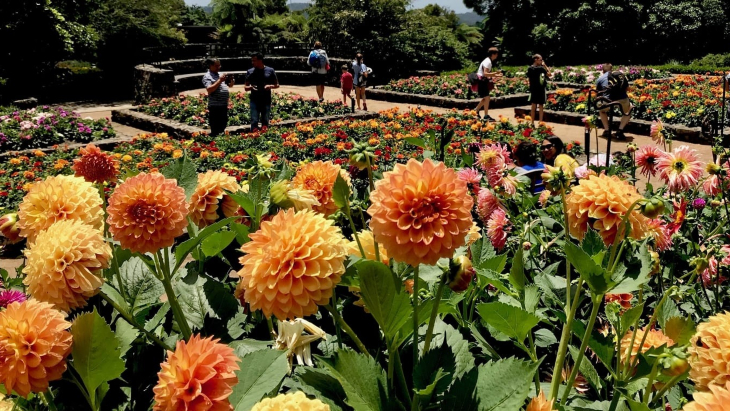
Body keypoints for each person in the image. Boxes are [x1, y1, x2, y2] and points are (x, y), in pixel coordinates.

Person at [596, 63, 632, 140]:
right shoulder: (619, 75)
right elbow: (627, 88)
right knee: (629, 109)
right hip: (622, 99)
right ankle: (620, 130)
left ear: (603, 70)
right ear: (612, 69)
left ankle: (607, 130)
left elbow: (599, 93)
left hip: (608, 100)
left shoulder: (600, 79)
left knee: (601, 110)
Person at [244, 52, 279, 131]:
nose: (252, 62)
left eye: (254, 60)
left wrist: (270, 86)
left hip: (266, 100)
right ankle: (254, 137)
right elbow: (245, 87)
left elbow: (277, 85)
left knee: (265, 121)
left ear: (260, 60)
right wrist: (251, 88)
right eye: (252, 60)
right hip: (254, 100)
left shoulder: (270, 70)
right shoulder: (250, 71)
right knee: (254, 121)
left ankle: (265, 137)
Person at [202, 58, 234, 136]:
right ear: (210, 66)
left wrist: (232, 81)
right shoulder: (207, 76)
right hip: (215, 106)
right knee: (216, 127)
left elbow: (230, 85)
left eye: (219, 65)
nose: (219, 67)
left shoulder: (220, 74)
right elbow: (209, 89)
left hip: (223, 104)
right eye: (216, 66)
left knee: (223, 125)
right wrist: (219, 80)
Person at [474, 47, 502, 121]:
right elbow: (486, 74)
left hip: (482, 81)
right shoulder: (488, 62)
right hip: (482, 81)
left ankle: (476, 111)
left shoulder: (488, 60)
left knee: (486, 98)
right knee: (487, 98)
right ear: (493, 54)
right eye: (496, 54)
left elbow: (487, 74)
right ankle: (485, 115)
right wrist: (496, 73)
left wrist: (496, 75)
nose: (497, 56)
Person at [527, 54, 551, 123]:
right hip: (540, 88)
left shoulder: (530, 68)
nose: (541, 61)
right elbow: (549, 74)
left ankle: (532, 122)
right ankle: (540, 122)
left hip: (533, 89)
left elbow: (529, 79)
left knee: (533, 106)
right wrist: (545, 65)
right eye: (540, 60)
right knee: (541, 106)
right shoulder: (541, 68)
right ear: (536, 60)